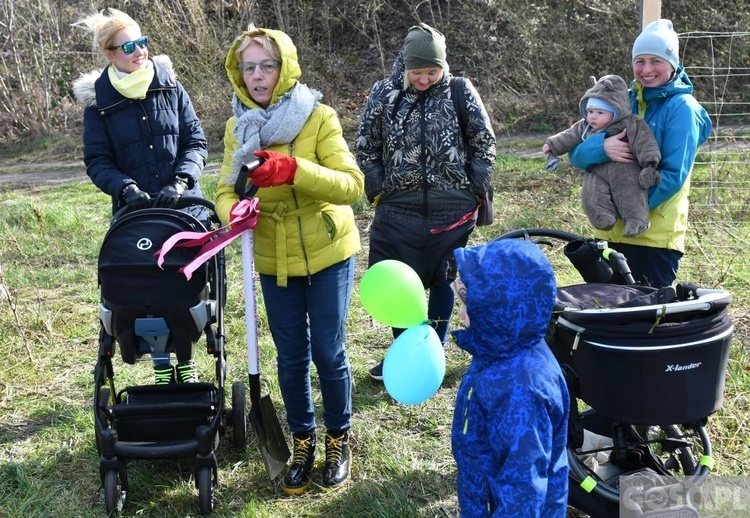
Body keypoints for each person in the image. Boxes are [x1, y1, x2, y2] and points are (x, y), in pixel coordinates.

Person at [214, 26, 364, 494]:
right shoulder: (237, 128)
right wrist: (233, 210)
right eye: (249, 67)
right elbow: (223, 189)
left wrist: (295, 170)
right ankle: (303, 440)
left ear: (286, 67)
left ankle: (340, 437)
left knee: (327, 350)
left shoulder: (318, 117)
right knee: (291, 356)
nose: (258, 76)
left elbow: (351, 185)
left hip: (327, 252)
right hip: (272, 257)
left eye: (267, 65)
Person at [72, 8, 207, 385]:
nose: (139, 51)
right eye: (129, 45)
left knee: (185, 286)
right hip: (135, 213)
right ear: (111, 54)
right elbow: (97, 160)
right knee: (145, 286)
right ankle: (162, 361)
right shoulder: (99, 104)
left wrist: (181, 181)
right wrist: (126, 188)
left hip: (183, 208)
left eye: (142, 42)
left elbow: (195, 142)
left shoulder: (171, 85)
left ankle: (186, 357)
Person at [355, 23, 496, 380]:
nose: (424, 79)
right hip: (397, 209)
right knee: (401, 283)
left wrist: (474, 185)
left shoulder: (460, 91)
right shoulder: (384, 93)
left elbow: (484, 142)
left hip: (453, 209)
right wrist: (377, 188)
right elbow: (366, 145)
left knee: (443, 279)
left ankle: (433, 352)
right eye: (417, 72)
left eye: (432, 72)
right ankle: (405, 353)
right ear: (405, 66)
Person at [567, 19, 712, 287]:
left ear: (673, 64)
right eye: (640, 61)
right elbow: (575, 153)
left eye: (656, 61)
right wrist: (602, 147)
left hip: (653, 238)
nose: (646, 70)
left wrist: (628, 208)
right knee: (610, 320)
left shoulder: (683, 109)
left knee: (644, 323)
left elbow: (671, 175)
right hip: (609, 233)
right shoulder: (620, 102)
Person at [450, 239, 569, 517]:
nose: (461, 313)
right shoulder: (505, 345)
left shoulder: (521, 391)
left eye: (470, 304)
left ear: (499, 310)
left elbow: (523, 490)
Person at [543, 74, 662, 238]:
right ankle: (602, 217)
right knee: (591, 194)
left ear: (615, 112)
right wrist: (553, 145)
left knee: (630, 192)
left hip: (625, 168)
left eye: (599, 112)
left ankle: (637, 220)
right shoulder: (585, 126)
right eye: (590, 111)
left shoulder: (629, 123)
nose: (592, 116)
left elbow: (644, 141)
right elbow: (569, 135)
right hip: (596, 170)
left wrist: (649, 162)